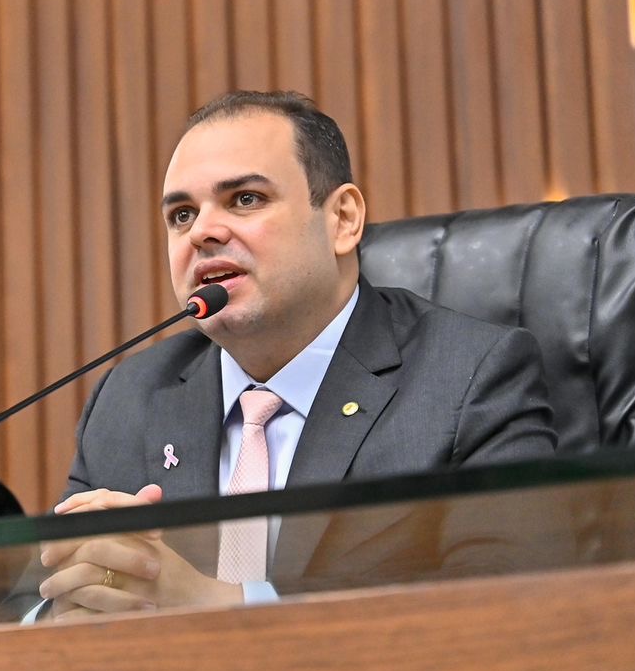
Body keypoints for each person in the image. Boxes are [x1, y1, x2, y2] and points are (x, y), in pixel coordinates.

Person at [37, 90, 556, 618]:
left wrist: (222, 605)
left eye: (245, 199)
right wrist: (64, 612)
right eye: (182, 214)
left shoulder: (470, 377)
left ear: (343, 219)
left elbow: (512, 609)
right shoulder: (132, 396)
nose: (203, 233)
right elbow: (25, 601)